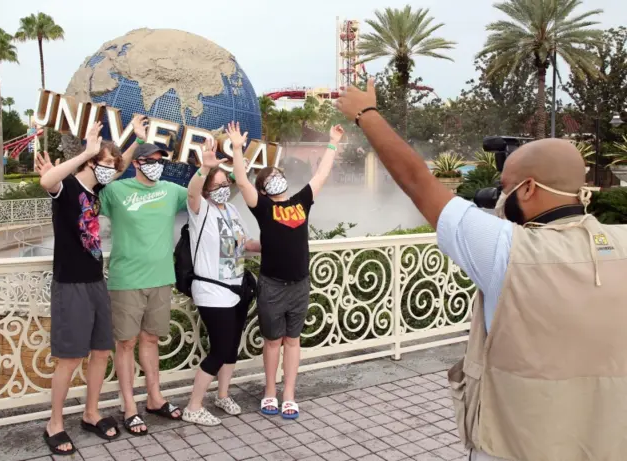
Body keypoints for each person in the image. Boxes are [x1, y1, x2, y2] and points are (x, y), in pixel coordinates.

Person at [336, 80, 627, 461]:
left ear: (527, 189)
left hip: (512, 446)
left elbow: (418, 182)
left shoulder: (505, 250)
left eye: (504, 187)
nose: (498, 197)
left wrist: (366, 114)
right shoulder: (621, 243)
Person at [35, 118, 142, 456]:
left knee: (100, 351)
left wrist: (134, 141)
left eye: (113, 165)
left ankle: (91, 412)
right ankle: (54, 423)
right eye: (104, 164)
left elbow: (121, 165)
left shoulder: (97, 192)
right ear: (91, 162)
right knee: (69, 358)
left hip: (96, 281)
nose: (111, 170)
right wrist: (87, 151)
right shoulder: (67, 187)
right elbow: (46, 180)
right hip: (70, 285)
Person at [228, 121, 345, 419]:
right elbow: (241, 181)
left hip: (299, 285)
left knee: (292, 340)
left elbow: (321, 174)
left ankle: (289, 394)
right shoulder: (263, 208)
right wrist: (238, 149)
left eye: (279, 174)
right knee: (272, 341)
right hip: (272, 285)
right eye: (270, 179)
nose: (277, 179)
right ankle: (270, 391)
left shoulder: (301, 201)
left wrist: (332, 142)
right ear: (264, 190)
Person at [100, 137, 189, 435]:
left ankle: (155, 398)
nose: (157, 166)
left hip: (162, 278)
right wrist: (120, 162)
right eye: (151, 160)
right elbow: (94, 188)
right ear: (137, 163)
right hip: (127, 280)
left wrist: (207, 167)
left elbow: (200, 197)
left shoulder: (172, 191)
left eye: (160, 160)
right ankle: (129, 407)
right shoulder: (116, 190)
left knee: (151, 340)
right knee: (125, 344)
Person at [181, 138, 261, 426]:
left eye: (226, 181)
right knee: (219, 349)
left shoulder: (231, 210)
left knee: (231, 348)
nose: (224, 187)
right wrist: (204, 167)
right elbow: (191, 193)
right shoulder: (201, 210)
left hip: (237, 288)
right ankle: (193, 406)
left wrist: (272, 243)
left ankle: (222, 394)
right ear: (206, 189)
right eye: (218, 183)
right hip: (212, 292)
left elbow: (245, 243)